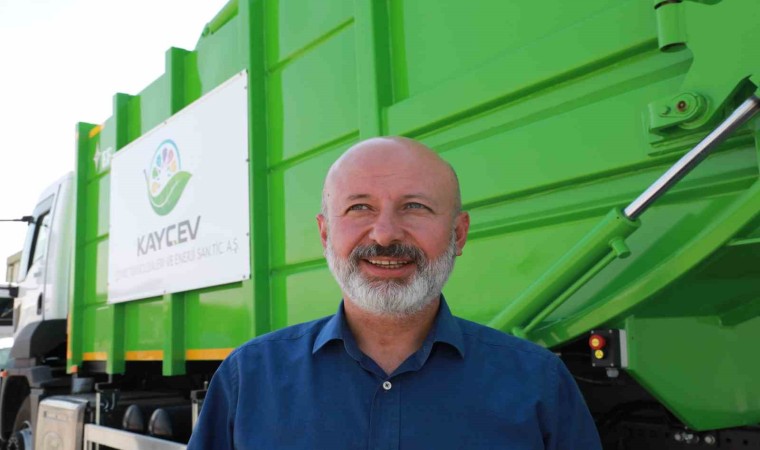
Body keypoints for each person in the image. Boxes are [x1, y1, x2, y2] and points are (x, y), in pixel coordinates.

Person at [187, 137, 602, 449]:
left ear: (458, 234)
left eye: (415, 207)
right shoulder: (248, 379)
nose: (385, 234)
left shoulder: (539, 384)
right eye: (359, 208)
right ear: (325, 233)